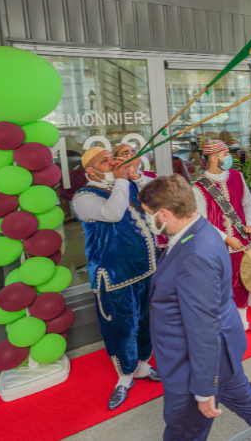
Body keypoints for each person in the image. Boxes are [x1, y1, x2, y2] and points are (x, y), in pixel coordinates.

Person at [138, 175, 251, 441]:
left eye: (148, 215)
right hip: (219, 351)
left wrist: (203, 389)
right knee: (244, 397)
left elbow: (203, 327)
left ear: (165, 214)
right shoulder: (200, 230)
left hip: (193, 361)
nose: (148, 221)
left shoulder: (195, 255)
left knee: (184, 429)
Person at [71, 147, 161, 410]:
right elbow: (113, 213)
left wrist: (133, 174)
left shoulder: (123, 185)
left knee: (145, 321)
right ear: (90, 170)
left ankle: (143, 366)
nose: (111, 162)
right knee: (121, 328)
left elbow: (154, 202)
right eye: (104, 160)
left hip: (144, 269)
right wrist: (122, 179)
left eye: (112, 157)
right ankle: (125, 377)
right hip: (114, 277)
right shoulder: (83, 196)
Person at [192, 140, 251, 334]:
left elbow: (248, 203)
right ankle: (222, 327)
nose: (229, 157)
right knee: (220, 286)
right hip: (218, 247)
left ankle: (243, 323)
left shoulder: (237, 176)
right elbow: (201, 221)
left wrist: (250, 223)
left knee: (243, 281)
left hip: (242, 241)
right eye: (226, 154)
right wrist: (225, 237)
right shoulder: (198, 187)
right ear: (214, 158)